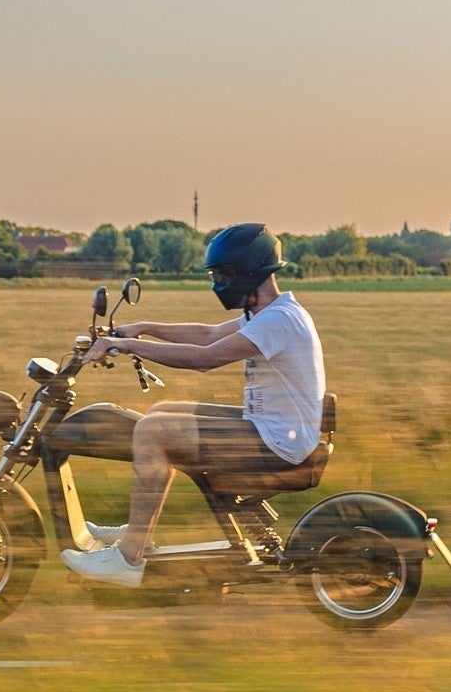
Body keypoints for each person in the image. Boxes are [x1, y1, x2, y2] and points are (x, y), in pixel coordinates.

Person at [60, 222, 325, 588]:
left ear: (249, 271)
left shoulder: (278, 320)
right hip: (274, 429)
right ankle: (140, 530)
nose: (218, 281)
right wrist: (143, 328)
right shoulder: (270, 313)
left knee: (155, 431)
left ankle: (128, 556)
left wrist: (128, 346)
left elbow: (205, 357)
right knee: (159, 415)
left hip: (279, 443)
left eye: (223, 273)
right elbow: (209, 333)